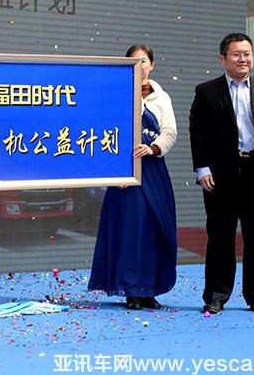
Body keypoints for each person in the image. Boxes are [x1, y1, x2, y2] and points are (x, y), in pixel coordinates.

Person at [189, 33, 254, 315]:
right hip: (221, 174)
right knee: (220, 236)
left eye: (247, 54)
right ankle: (217, 295)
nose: (243, 59)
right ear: (223, 59)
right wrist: (202, 167)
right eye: (236, 54)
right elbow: (198, 133)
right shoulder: (206, 91)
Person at [88, 44, 178, 310]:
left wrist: (152, 148)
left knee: (153, 230)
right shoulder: (116, 93)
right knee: (130, 231)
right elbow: (107, 132)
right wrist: (116, 170)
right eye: (134, 61)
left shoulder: (162, 98)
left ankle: (149, 289)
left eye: (144, 61)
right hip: (125, 175)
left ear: (152, 65)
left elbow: (170, 132)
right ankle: (131, 289)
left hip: (153, 172)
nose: (140, 65)